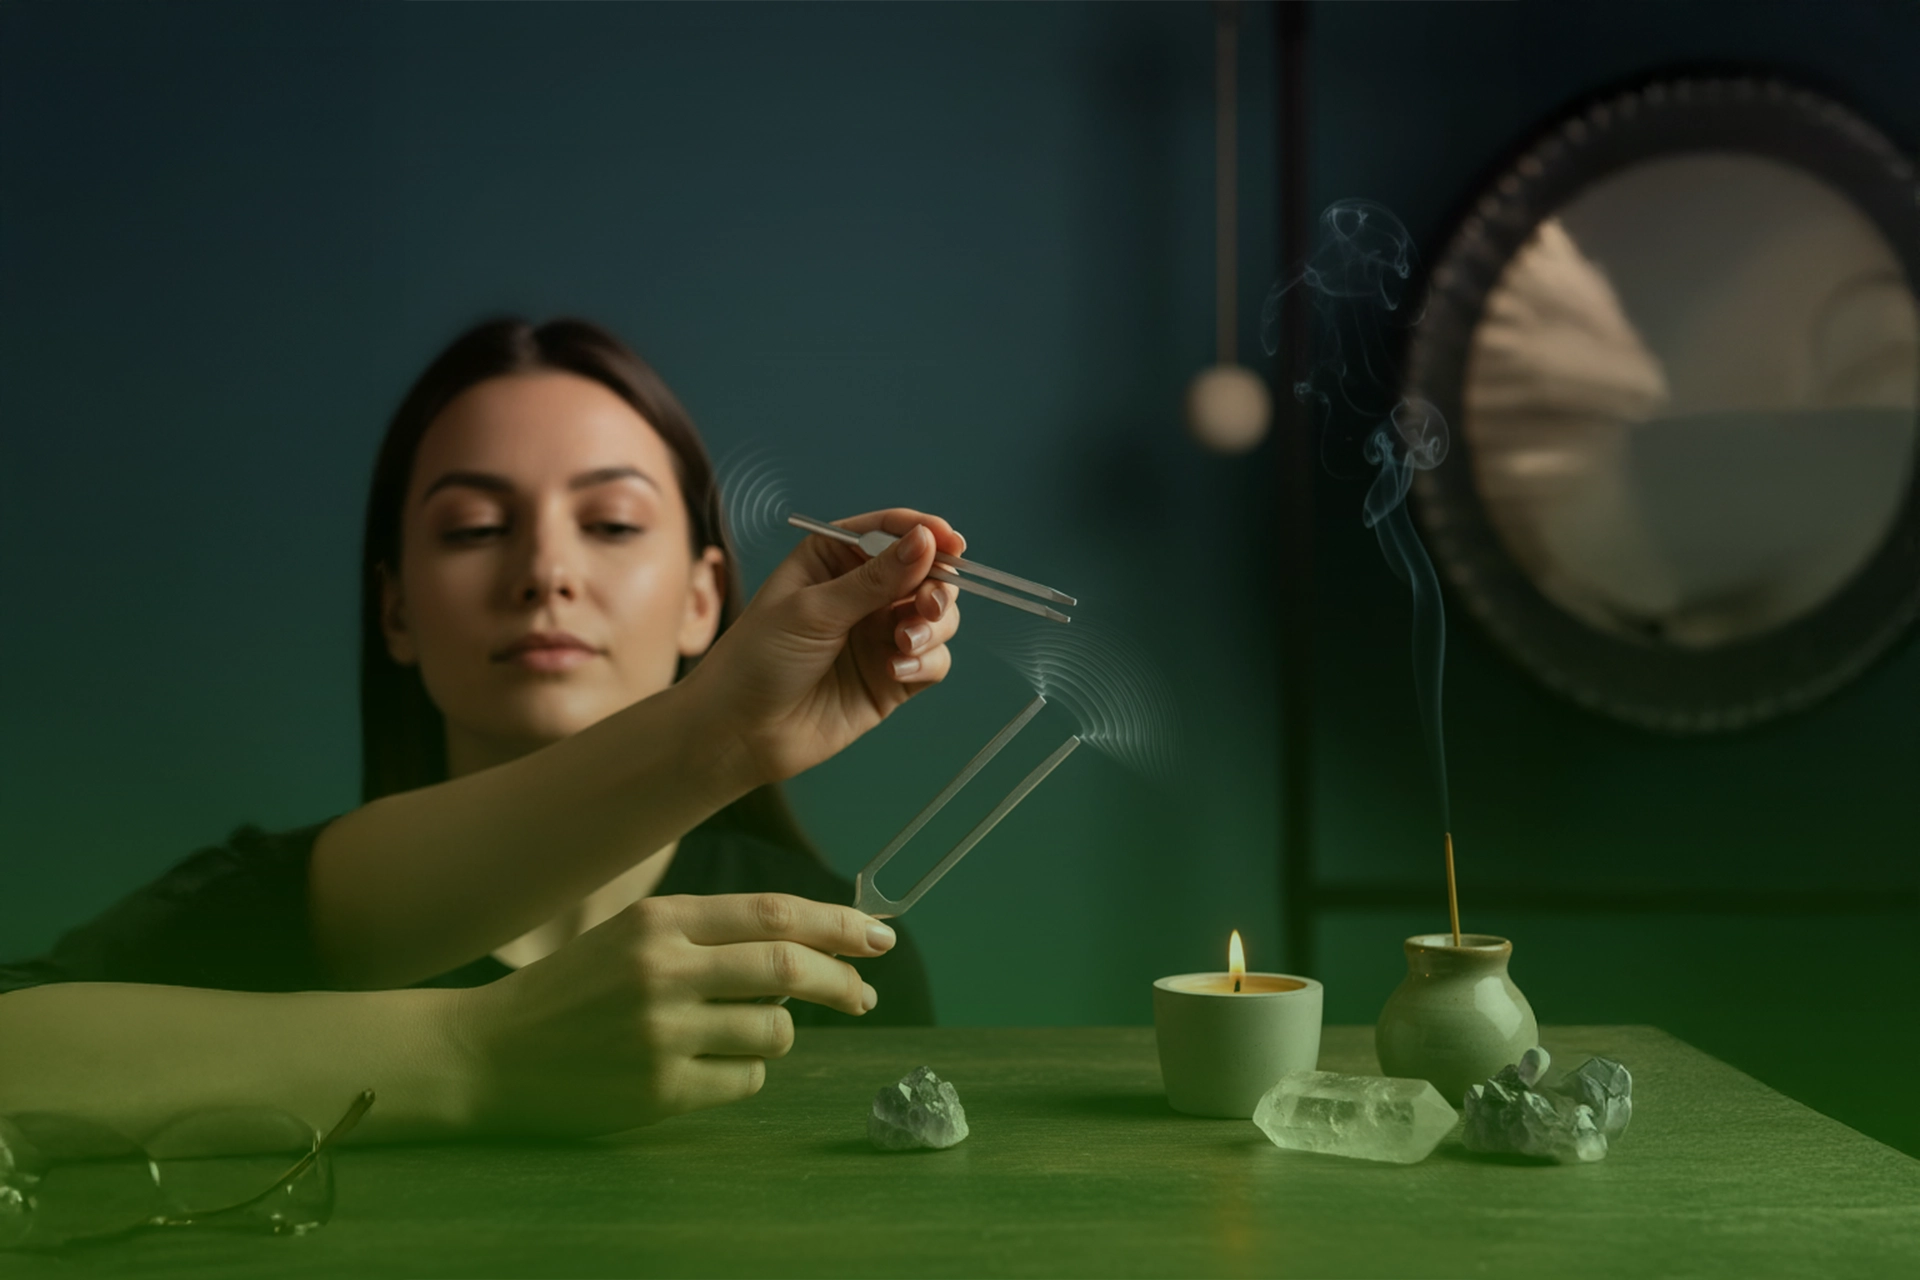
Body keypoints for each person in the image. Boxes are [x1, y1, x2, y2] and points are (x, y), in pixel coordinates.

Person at [0, 317, 965, 1142]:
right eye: (471, 528)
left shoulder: (830, 959)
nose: (545, 571)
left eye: (613, 524)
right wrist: (477, 1050)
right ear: (396, 614)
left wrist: (718, 736)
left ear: (705, 595)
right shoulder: (273, 923)